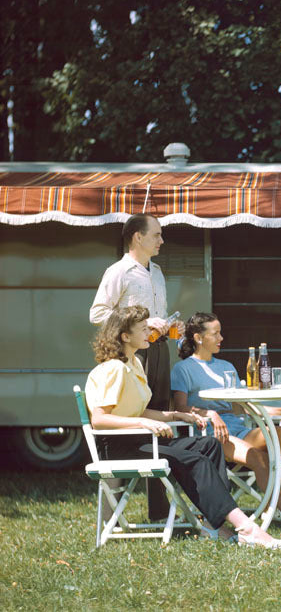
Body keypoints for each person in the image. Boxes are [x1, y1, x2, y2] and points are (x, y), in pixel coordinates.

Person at [85, 304, 281, 549]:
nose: (150, 331)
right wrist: (143, 422)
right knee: (196, 459)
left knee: (210, 445)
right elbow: (99, 419)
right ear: (125, 337)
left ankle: (213, 527)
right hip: (120, 446)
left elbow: (137, 411)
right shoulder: (113, 369)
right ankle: (247, 528)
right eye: (143, 329)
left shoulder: (133, 365)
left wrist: (175, 416)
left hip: (140, 439)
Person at [170, 313, 281, 531]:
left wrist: (273, 410)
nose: (221, 337)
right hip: (210, 435)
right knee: (257, 458)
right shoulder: (183, 369)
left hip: (238, 429)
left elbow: (240, 405)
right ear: (198, 338)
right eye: (215, 333)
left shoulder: (226, 365)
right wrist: (209, 414)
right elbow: (180, 408)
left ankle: (271, 504)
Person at [89, 213, 177, 520]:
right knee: (127, 423)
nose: (161, 240)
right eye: (156, 235)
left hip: (159, 351)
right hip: (132, 356)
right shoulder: (118, 272)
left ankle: (160, 511)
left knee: (160, 426)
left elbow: (158, 314)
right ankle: (108, 511)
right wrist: (138, 321)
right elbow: (98, 314)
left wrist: (166, 324)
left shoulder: (158, 272)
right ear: (137, 237)